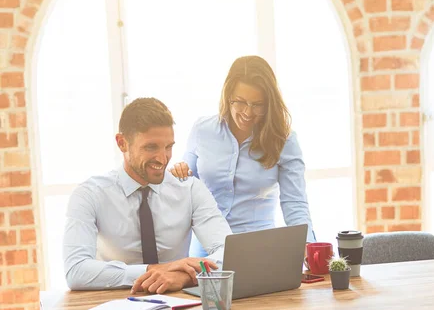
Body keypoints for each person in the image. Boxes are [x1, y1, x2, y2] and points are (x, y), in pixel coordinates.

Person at [63, 97, 231, 294]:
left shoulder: (190, 190)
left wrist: (182, 276)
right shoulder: (89, 194)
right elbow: (76, 270)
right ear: (122, 143)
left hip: (178, 308)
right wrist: (153, 271)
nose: (162, 158)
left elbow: (228, 253)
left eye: (168, 147)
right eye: (151, 147)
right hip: (112, 308)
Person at [171, 56, 315, 256]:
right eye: (240, 102)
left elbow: (294, 203)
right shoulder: (202, 130)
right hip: (206, 247)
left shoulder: (284, 140)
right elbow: (187, 187)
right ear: (228, 95)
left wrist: (310, 249)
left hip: (258, 247)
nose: (248, 112)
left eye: (258, 104)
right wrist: (178, 172)